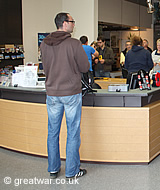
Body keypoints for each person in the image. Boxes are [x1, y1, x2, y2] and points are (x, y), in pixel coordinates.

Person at [40, 12, 89, 180]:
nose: (74, 24)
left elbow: (45, 67)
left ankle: (53, 169)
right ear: (64, 23)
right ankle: (72, 171)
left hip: (52, 93)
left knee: (52, 132)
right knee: (73, 132)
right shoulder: (74, 44)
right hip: (70, 93)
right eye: (72, 21)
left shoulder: (44, 44)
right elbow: (84, 67)